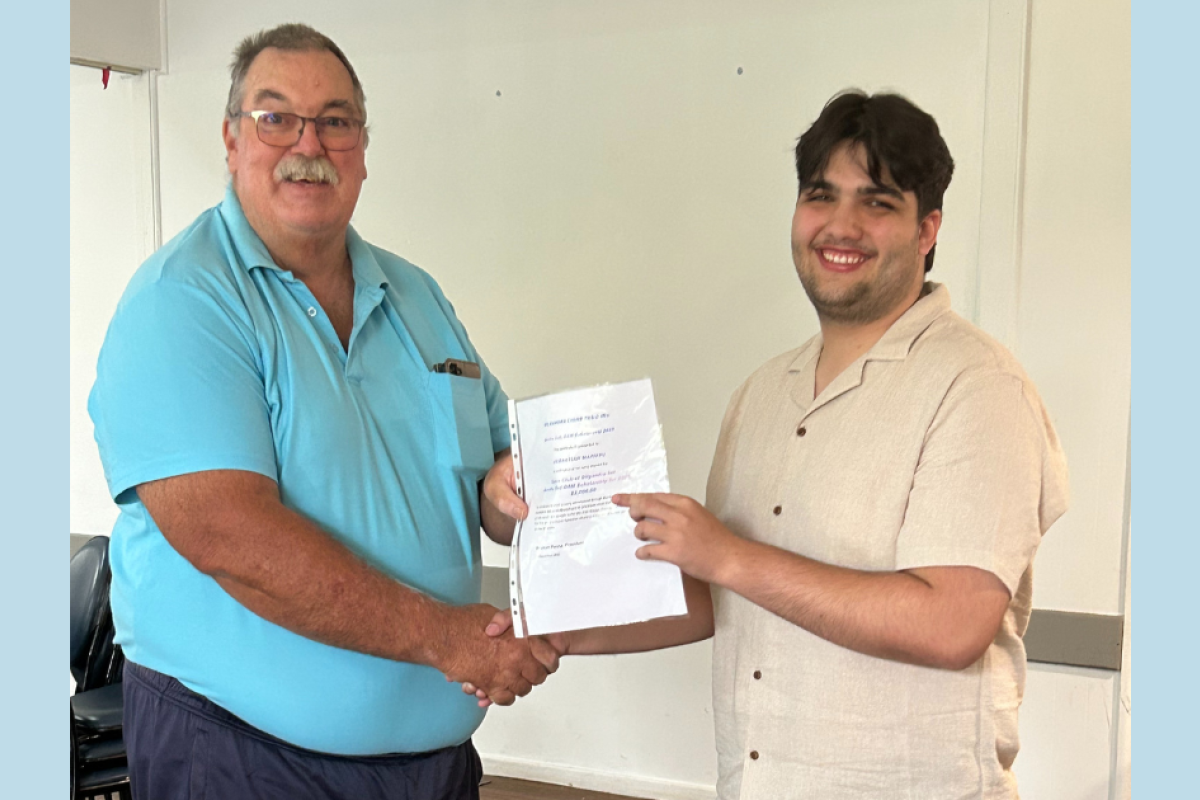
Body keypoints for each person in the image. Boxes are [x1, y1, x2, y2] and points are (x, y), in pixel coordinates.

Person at [476, 91, 1068, 799]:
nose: (841, 225)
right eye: (821, 196)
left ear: (927, 228)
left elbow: (953, 622)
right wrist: (558, 630)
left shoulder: (976, 386)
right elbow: (714, 598)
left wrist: (728, 553)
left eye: (878, 202)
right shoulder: (762, 395)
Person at [88, 23, 559, 800]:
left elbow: (497, 474)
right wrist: (445, 639)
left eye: (335, 121)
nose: (308, 143)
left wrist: (510, 491)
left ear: (363, 150)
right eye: (276, 119)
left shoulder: (417, 297)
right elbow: (229, 536)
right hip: (242, 758)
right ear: (232, 142)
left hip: (431, 764)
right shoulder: (184, 302)